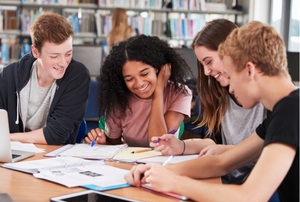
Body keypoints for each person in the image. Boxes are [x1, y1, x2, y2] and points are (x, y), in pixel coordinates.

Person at [125, 21, 299, 202]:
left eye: (231, 76)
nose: (230, 88)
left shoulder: (291, 111)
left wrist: (176, 182)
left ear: (249, 70)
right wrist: (157, 171)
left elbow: (248, 201)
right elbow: (222, 161)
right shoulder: (283, 112)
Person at [149, 19, 267, 185]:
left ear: (231, 52)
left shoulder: (271, 100)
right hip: (229, 181)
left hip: (260, 188)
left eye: (209, 62)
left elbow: (271, 154)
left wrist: (169, 173)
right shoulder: (220, 94)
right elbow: (215, 144)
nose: (206, 72)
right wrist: (182, 147)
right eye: (202, 64)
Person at [84, 35, 205, 147]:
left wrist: (159, 91)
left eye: (144, 73)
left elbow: (158, 142)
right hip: (129, 163)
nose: (139, 83)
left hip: (163, 163)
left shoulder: (180, 92)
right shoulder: (118, 97)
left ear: (158, 68)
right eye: (129, 79)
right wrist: (104, 143)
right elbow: (114, 144)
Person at [0, 12, 91, 145]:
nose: (63, 63)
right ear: (36, 52)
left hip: (56, 156)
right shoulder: (9, 76)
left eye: (68, 54)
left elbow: (56, 135)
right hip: (15, 155)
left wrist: (8, 138)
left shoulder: (78, 75)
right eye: (54, 56)